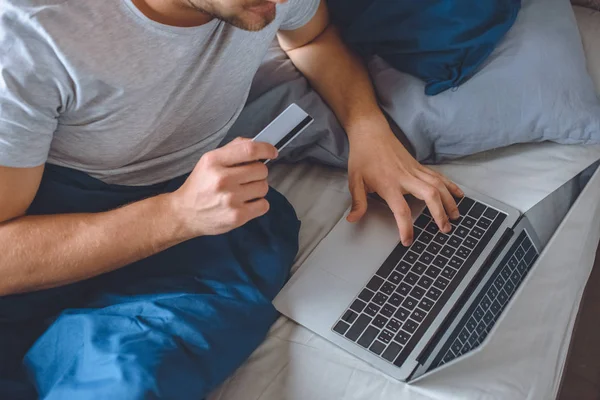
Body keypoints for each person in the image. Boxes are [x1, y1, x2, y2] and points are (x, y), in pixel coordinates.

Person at [0, 0, 463, 398]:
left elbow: (311, 36)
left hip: (197, 230)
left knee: (130, 381)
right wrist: (176, 215)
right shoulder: (33, 35)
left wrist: (368, 129)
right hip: (49, 222)